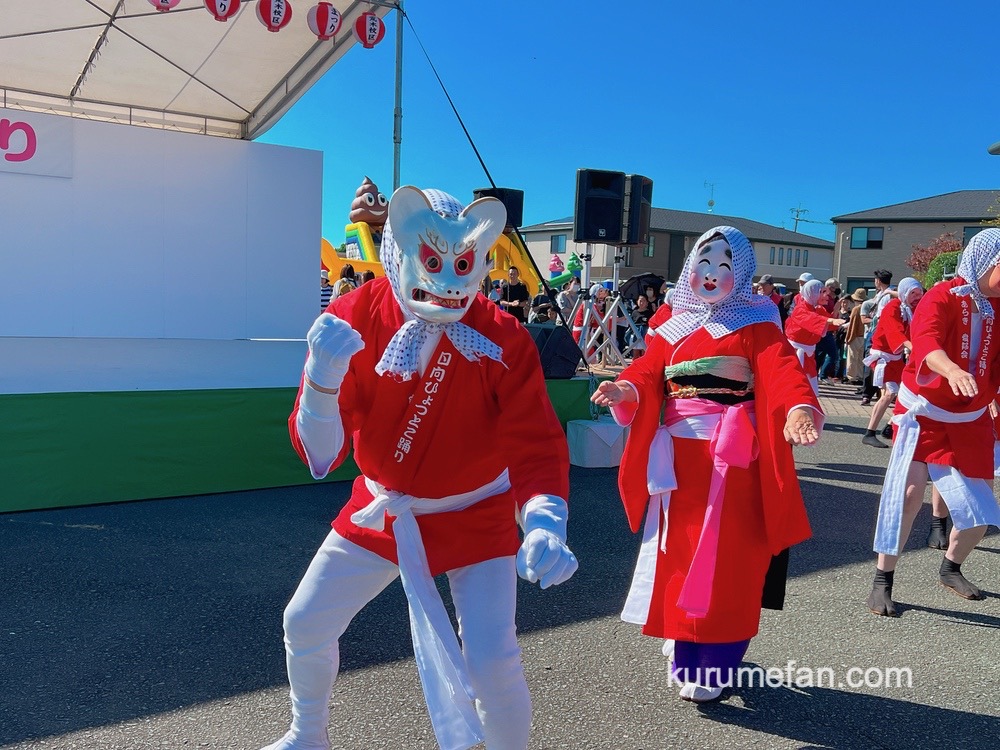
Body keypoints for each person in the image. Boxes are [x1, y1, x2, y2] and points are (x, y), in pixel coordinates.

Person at [263, 186, 578, 750]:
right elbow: (319, 454)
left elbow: (535, 440)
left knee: (492, 660)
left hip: (477, 508)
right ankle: (307, 733)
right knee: (305, 622)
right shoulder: (353, 315)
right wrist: (320, 382)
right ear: (397, 251)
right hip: (387, 504)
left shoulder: (502, 335)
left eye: (462, 263)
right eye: (433, 261)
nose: (449, 279)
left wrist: (545, 521)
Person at [590, 226, 823, 703]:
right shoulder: (671, 319)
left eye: (724, 266)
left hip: (733, 463)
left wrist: (800, 407)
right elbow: (647, 370)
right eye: (704, 263)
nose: (712, 274)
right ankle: (683, 640)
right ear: (689, 269)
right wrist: (625, 389)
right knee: (677, 554)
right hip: (678, 461)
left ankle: (716, 662)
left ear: (740, 275)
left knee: (729, 561)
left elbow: (783, 372)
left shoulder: (757, 321)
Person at [866, 229, 1000, 617]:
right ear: (984, 263)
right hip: (924, 411)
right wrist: (951, 369)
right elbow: (925, 343)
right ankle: (882, 579)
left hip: (970, 417)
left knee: (980, 511)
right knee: (908, 496)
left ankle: (951, 568)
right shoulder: (941, 297)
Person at [861, 277, 924, 448]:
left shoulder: (911, 308)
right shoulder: (893, 307)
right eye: (913, 293)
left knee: (907, 391)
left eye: (919, 293)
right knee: (889, 393)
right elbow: (894, 332)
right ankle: (869, 432)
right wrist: (914, 348)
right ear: (904, 294)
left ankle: (889, 426)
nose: (917, 296)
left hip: (895, 357)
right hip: (882, 355)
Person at [784, 280, 847, 395]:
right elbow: (812, 319)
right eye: (822, 292)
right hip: (794, 353)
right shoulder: (800, 309)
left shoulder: (818, 309)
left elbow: (829, 326)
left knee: (807, 388)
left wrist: (836, 311)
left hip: (808, 354)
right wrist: (831, 320)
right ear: (812, 293)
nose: (826, 295)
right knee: (794, 387)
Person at [844, 288, 869, 384]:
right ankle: (859, 376)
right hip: (863, 336)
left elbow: (852, 325)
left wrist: (848, 338)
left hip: (854, 336)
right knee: (860, 359)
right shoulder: (867, 307)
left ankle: (851, 377)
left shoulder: (856, 309)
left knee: (852, 358)